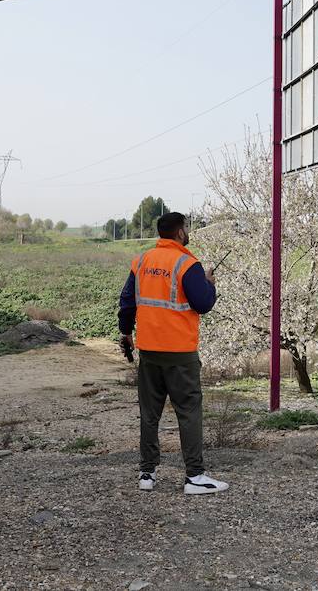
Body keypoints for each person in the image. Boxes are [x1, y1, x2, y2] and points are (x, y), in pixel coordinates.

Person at [118, 211, 229, 495]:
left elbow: (128, 301)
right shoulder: (187, 263)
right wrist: (209, 283)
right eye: (187, 228)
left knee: (149, 413)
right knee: (188, 412)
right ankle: (194, 477)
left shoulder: (141, 261)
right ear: (180, 232)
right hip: (180, 353)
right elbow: (203, 303)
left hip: (149, 350)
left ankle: (147, 473)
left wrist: (126, 332)